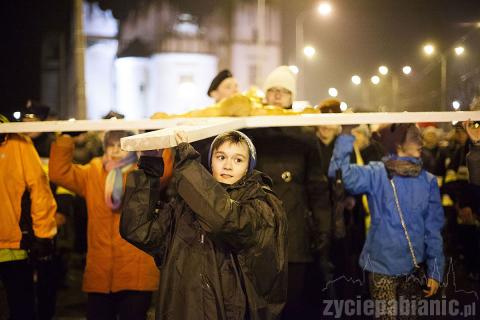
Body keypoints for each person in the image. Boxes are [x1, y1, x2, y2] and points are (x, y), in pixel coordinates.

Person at [120, 130, 288, 320]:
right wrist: (149, 170)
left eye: (238, 160)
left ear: (249, 166)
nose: (228, 165)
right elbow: (139, 230)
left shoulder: (261, 205)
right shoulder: (186, 203)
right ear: (211, 161)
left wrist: (188, 163)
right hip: (182, 310)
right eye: (221, 157)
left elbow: (225, 220)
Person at [49, 131, 171, 320]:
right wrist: (66, 139)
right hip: (101, 271)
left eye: (121, 145)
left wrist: (157, 137)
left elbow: (165, 170)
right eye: (111, 145)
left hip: (135, 270)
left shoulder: (143, 173)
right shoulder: (93, 171)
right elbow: (59, 173)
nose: (115, 150)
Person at [329, 123, 445, 318]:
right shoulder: (377, 173)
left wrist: (435, 270)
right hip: (382, 266)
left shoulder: (428, 181)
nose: (421, 142)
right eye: (414, 137)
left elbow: (433, 229)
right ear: (398, 144)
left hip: (413, 267)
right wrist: (347, 134)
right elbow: (339, 174)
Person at [244, 66, 331, 318]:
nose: (278, 95)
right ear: (265, 95)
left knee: (293, 305)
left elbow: (317, 188)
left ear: (292, 97)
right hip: (258, 236)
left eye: (284, 91)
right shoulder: (251, 133)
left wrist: (323, 228)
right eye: (272, 90)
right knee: (260, 306)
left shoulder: (305, 135)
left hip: (295, 237)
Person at [0, 113, 57, 320]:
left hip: (15, 245)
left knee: (21, 309)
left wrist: (43, 234)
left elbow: (40, 190)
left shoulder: (18, 142)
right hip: (14, 242)